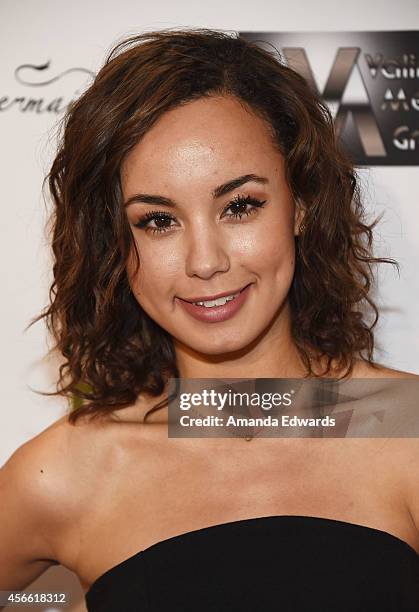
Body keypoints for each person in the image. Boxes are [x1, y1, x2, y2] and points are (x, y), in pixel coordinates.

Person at [1, 28, 418, 611]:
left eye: (240, 205)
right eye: (157, 221)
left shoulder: (407, 429)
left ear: (301, 205)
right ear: (114, 243)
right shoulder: (69, 472)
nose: (206, 262)